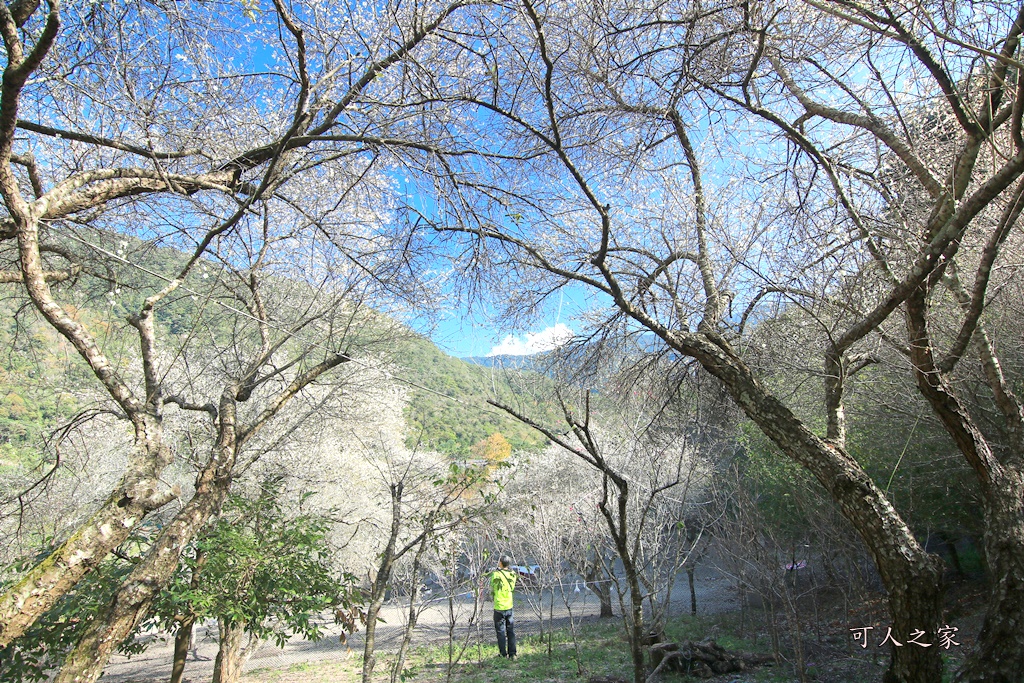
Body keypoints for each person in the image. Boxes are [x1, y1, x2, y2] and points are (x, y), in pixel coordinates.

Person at [491, 555, 518, 659]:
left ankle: (503, 654)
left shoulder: (496, 574)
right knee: (510, 631)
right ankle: (513, 653)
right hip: (509, 606)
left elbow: (492, 588)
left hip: (499, 606)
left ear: (501, 563)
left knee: (500, 632)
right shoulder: (512, 574)